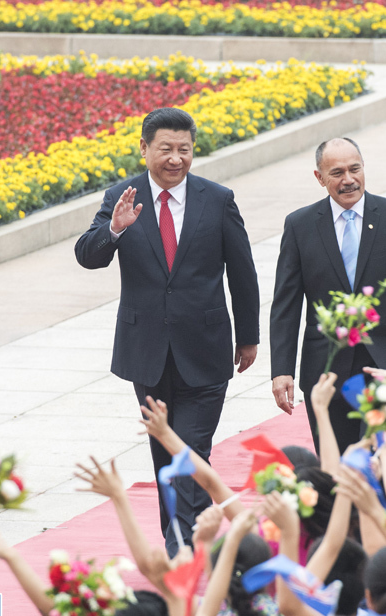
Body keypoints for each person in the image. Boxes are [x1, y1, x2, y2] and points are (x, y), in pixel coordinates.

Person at [74, 107, 260, 555]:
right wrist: (114, 230)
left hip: (207, 347)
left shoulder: (217, 199)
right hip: (148, 353)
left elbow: (242, 270)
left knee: (191, 450)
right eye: (166, 149)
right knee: (165, 454)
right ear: (144, 149)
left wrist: (249, 335)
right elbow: (87, 255)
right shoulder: (122, 196)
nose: (176, 159)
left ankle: (185, 547)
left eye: (185, 150)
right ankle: (180, 541)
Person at [269, 137, 386, 457]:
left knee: (381, 457)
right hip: (325, 366)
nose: (348, 180)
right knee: (335, 463)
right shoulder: (300, 225)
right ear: (319, 177)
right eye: (337, 173)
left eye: (354, 169)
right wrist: (282, 370)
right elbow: (285, 305)